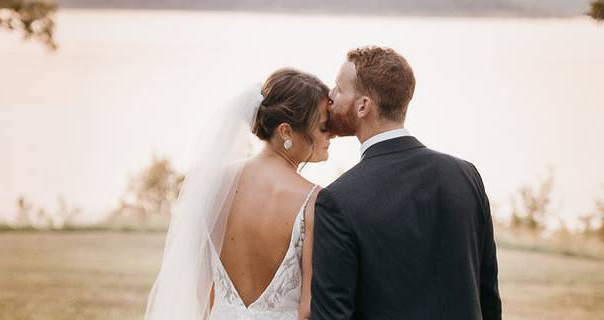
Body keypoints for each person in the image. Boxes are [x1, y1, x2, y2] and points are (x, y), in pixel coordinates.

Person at [311, 46, 502, 319]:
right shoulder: (465, 175)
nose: (330, 96)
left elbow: (332, 315)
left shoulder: (338, 199)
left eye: (339, 89)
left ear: (363, 106)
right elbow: (488, 296)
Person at [145, 68, 334, 320]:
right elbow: (308, 310)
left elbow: (200, 291)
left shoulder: (214, 185)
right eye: (323, 127)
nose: (332, 134)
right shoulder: (313, 200)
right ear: (286, 131)